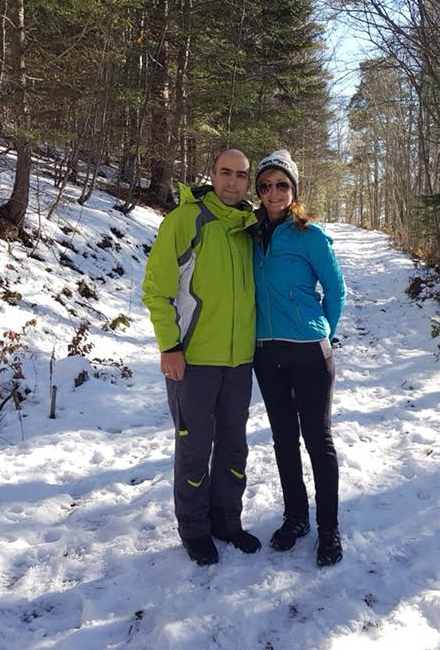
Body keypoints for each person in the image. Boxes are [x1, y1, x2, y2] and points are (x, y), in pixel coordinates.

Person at [142, 148, 261, 566]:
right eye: (225, 173)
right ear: (211, 175)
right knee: (194, 448)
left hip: (239, 361)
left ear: (249, 182)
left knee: (234, 447)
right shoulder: (186, 220)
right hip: (192, 360)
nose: (232, 182)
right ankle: (194, 530)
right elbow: (157, 289)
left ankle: (227, 521)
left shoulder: (250, 227)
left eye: (241, 175)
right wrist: (169, 346)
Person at [252, 149, 347, 567]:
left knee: (318, 441)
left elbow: (336, 290)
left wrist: (321, 331)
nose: (274, 192)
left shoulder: (309, 234)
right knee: (283, 441)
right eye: (267, 185)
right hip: (266, 352)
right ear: (258, 191)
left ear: (294, 191)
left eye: (282, 185)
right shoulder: (250, 233)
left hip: (309, 353)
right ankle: (296, 518)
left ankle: (329, 530)